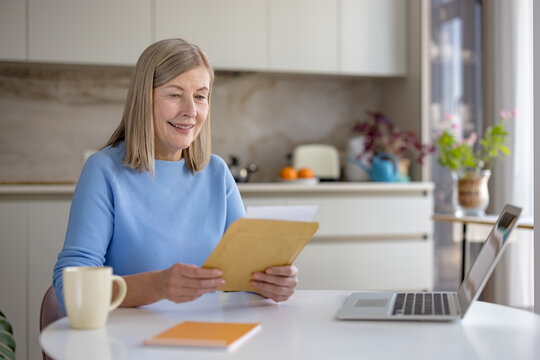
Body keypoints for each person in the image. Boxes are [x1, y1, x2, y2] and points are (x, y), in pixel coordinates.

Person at [52, 38, 299, 312]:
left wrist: (270, 284)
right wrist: (158, 286)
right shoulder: (104, 171)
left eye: (200, 96)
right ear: (143, 100)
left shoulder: (217, 174)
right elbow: (70, 290)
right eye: (174, 94)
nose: (191, 111)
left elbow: (241, 280)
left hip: (211, 343)